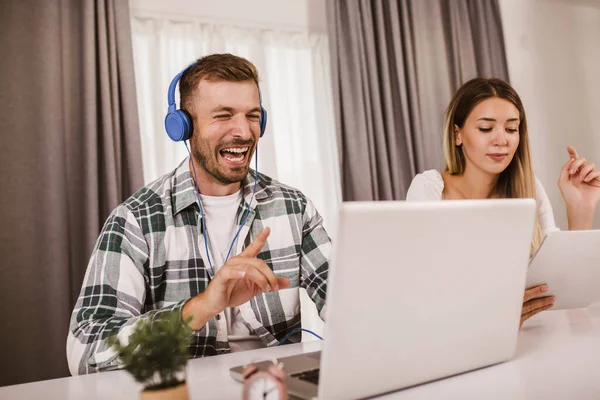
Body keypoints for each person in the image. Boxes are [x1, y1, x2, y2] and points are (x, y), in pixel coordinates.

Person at [67, 54, 331, 375]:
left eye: (252, 115)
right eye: (223, 115)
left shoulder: (293, 207)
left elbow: (344, 298)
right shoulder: (136, 219)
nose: (244, 131)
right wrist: (200, 308)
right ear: (183, 127)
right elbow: (85, 351)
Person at [406, 78, 600, 326]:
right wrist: (494, 314)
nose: (502, 140)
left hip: (535, 336)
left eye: (511, 129)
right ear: (457, 134)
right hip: (467, 344)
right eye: (486, 129)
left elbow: (566, 288)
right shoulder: (429, 190)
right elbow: (423, 294)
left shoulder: (529, 188)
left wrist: (580, 209)